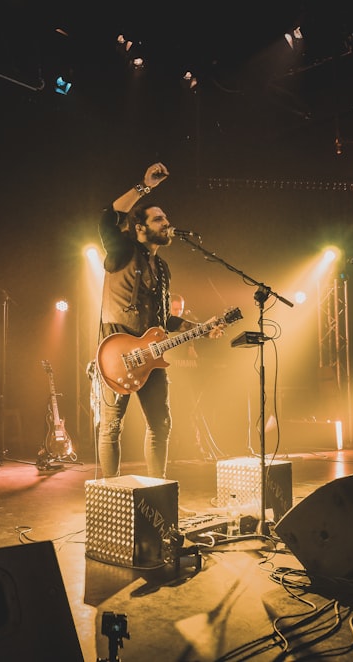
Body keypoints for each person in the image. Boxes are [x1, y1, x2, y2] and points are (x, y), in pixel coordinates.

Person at [95, 162, 223, 478]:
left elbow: (165, 320)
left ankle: (156, 490)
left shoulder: (162, 268)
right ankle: (111, 491)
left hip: (151, 358)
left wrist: (201, 329)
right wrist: (145, 186)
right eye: (159, 218)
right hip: (117, 353)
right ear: (139, 227)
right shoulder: (122, 249)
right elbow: (106, 217)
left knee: (160, 425)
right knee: (112, 426)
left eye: (166, 218)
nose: (167, 223)